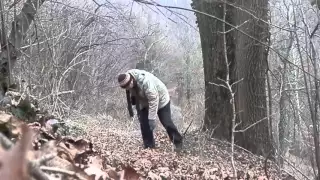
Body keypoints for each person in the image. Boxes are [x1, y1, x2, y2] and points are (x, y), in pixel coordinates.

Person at [117, 69, 183, 151]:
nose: (127, 88)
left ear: (131, 81)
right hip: (144, 101)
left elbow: (153, 101)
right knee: (144, 123)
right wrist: (133, 98)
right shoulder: (127, 78)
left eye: (127, 86)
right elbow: (132, 91)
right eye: (125, 87)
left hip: (161, 99)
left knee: (166, 122)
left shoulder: (146, 82)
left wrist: (151, 119)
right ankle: (149, 146)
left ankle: (178, 142)